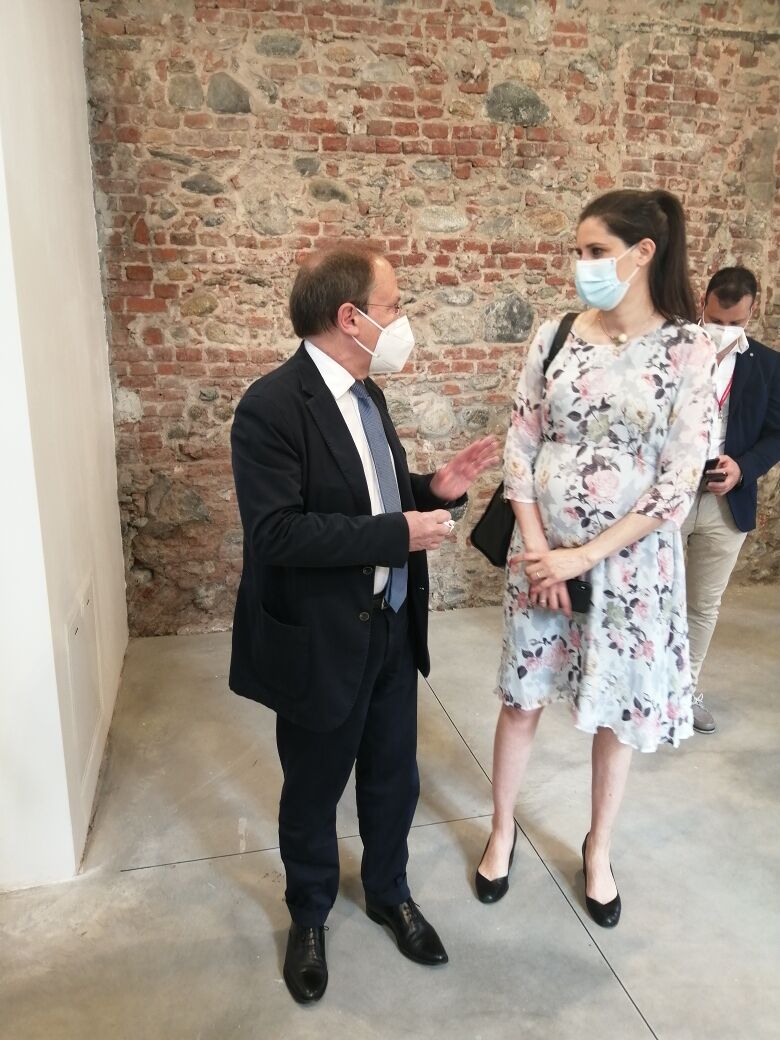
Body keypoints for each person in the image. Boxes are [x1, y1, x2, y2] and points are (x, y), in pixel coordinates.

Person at [229, 245, 498, 1004]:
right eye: (393, 306)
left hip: (390, 623)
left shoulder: (367, 394)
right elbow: (277, 532)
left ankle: (388, 891)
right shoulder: (270, 406)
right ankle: (310, 913)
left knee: (392, 777)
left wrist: (432, 490)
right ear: (351, 318)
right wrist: (398, 534)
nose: (401, 321)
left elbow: (370, 495)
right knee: (314, 788)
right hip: (320, 638)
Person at [474, 189, 715, 929]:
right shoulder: (554, 335)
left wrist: (585, 558)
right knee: (522, 698)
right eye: (578, 251)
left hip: (630, 569)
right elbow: (521, 443)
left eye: (596, 251)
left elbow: (680, 479)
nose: (582, 265)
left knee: (615, 709)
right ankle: (502, 829)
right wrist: (541, 551)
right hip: (541, 557)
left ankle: (599, 847)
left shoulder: (690, 348)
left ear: (643, 253)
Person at [682, 266, 780, 733]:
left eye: (735, 323)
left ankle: (684, 691)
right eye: (717, 320)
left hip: (727, 502)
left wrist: (742, 468)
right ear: (703, 303)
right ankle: (642, 688)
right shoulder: (674, 351)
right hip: (670, 496)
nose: (724, 330)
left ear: (751, 312)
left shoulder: (769, 365)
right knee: (649, 596)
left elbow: (776, 434)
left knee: (703, 605)